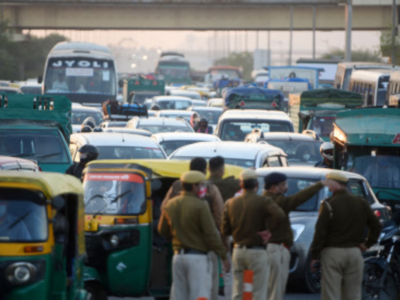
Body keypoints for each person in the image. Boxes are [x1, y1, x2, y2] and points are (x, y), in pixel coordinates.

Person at [262, 172, 339, 300]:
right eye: (283, 184)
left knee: (269, 288)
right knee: (276, 289)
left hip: (269, 249)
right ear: (273, 187)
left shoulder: (264, 199)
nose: (286, 187)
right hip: (277, 249)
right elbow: (299, 198)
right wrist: (318, 185)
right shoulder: (277, 201)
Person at [310, 171, 382, 300]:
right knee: (353, 294)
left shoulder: (328, 204)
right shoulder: (361, 202)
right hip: (355, 253)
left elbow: (320, 233)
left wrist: (315, 255)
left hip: (332, 254)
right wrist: (367, 244)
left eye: (329, 183)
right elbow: (376, 225)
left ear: (335, 184)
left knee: (331, 293)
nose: (328, 186)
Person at [158, 171, 229, 300]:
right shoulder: (201, 205)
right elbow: (211, 233)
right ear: (194, 186)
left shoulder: (171, 204)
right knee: (200, 295)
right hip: (198, 259)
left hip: (178, 257)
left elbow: (162, 230)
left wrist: (176, 235)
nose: (203, 188)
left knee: (180, 295)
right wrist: (223, 255)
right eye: (201, 185)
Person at [221, 169, 285, 300]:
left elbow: (225, 230)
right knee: (258, 292)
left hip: (238, 251)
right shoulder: (263, 201)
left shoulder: (230, 203)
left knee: (238, 292)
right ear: (256, 184)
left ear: (241, 185)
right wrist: (270, 231)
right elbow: (280, 215)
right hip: (257, 251)